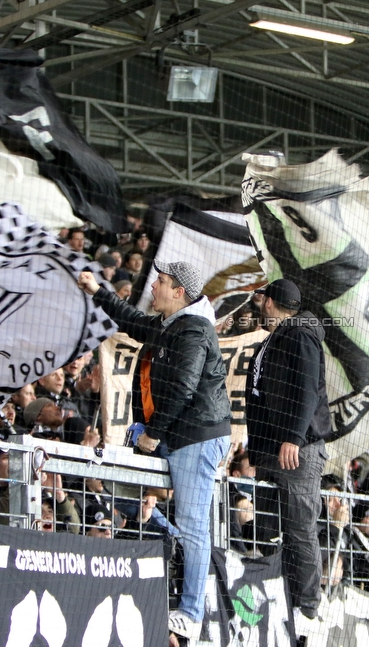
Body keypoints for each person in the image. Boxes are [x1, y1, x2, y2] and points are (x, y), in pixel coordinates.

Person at [78, 260, 230, 642]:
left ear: (179, 292)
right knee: (131, 481)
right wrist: (98, 291)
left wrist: (152, 436)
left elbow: (182, 388)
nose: (153, 288)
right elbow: (132, 321)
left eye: (160, 282)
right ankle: (153, 527)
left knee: (195, 526)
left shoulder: (193, 330)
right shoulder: (171, 325)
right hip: (178, 434)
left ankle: (191, 614)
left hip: (195, 435)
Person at [244, 278, 331, 623]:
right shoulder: (276, 338)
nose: (258, 304)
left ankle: (308, 609)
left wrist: (293, 437)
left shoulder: (300, 333)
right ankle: (274, 601)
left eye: (261, 299)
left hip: (296, 451)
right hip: (273, 452)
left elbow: (308, 389)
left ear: (269, 302)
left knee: (298, 528)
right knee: (269, 529)